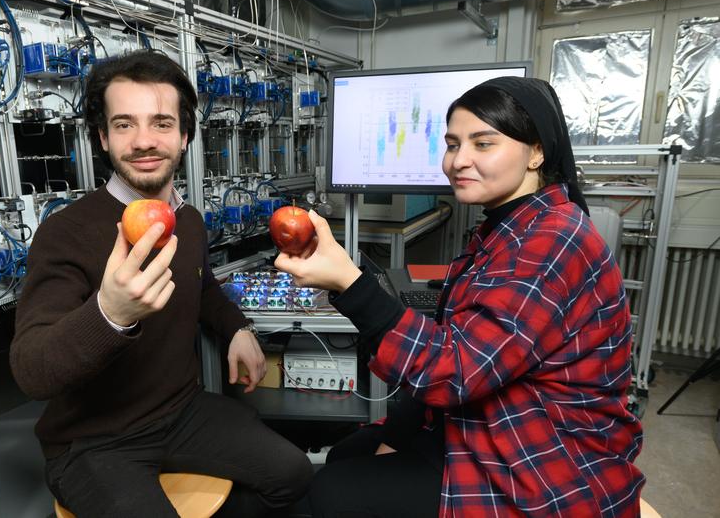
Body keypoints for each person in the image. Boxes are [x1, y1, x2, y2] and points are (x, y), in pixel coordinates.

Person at [275, 77, 644, 517]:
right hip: (482, 422)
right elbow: (457, 343)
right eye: (452, 144)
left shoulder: (552, 240)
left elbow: (455, 371)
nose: (458, 161)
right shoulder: (507, 228)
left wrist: (351, 285)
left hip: (542, 457)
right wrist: (398, 433)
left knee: (330, 492)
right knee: (345, 456)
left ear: (538, 152)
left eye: (483, 144)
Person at [10, 50, 312, 518]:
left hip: (179, 412)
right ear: (103, 138)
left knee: (293, 474)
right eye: (125, 124)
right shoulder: (66, 231)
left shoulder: (186, 219)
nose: (144, 141)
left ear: (185, 136)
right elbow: (31, 370)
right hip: (93, 441)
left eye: (162, 123)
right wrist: (109, 315)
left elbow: (202, 284)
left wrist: (236, 328)